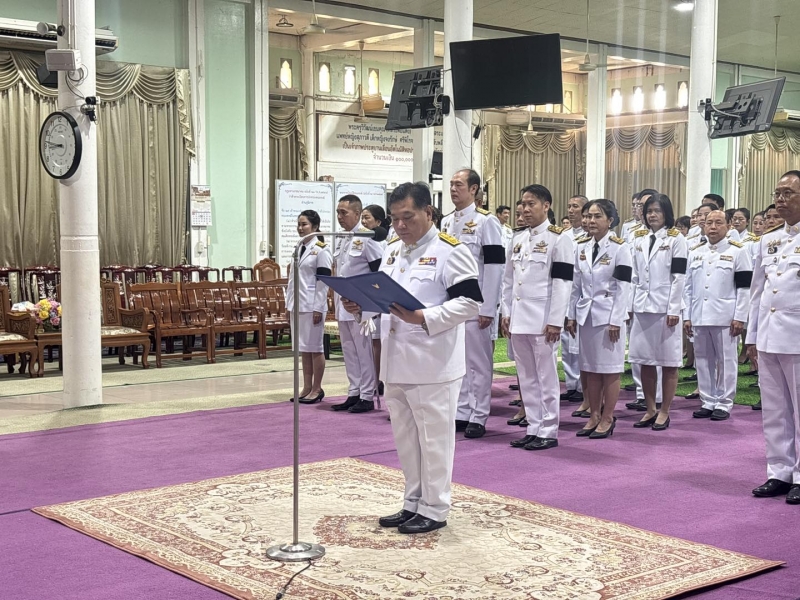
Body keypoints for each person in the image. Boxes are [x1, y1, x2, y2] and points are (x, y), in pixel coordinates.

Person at [344, 181, 482, 534]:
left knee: (434, 440)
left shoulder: (450, 250)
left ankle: (435, 507)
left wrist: (424, 317)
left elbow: (470, 303)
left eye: (408, 217)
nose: (401, 225)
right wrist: (361, 306)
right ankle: (413, 501)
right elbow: (385, 300)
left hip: (432, 363)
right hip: (396, 360)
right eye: (395, 219)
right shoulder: (392, 250)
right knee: (406, 439)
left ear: (428, 212)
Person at [501, 184, 574, 451]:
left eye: (531, 203)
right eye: (523, 203)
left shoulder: (559, 238)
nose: (525, 209)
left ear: (546, 205)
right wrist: (506, 312)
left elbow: (563, 283)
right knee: (526, 376)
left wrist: (556, 320)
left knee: (546, 376)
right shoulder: (518, 238)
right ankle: (533, 426)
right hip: (519, 318)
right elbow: (508, 281)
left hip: (543, 319)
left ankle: (549, 429)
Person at [747, 170, 800, 505]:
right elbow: (757, 292)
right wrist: (752, 336)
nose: (780, 199)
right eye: (777, 193)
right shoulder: (769, 239)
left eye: (788, 193)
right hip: (769, 335)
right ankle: (779, 471)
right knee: (775, 409)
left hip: (797, 336)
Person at [441, 169, 505, 439]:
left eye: (459, 184)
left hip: (475, 302)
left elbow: (495, 266)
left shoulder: (486, 221)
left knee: (478, 363)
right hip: (452, 304)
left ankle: (479, 414)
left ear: (474, 189)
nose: (453, 189)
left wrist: (488, 307)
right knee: (457, 361)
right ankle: (462, 410)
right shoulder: (446, 222)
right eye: (451, 185)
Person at [566, 199, 633, 438]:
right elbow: (575, 285)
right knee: (590, 369)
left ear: (610, 220)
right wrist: (571, 315)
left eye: (597, 216)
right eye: (588, 216)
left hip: (608, 316)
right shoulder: (581, 246)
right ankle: (594, 414)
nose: (590, 221)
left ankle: (608, 417)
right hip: (586, 314)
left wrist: (616, 319)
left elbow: (623, 287)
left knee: (609, 370)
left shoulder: (620, 248)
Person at [683, 210, 752, 421]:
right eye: (709, 223)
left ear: (728, 226)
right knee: (703, 360)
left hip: (725, 317)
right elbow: (687, 288)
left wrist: (740, 317)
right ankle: (707, 400)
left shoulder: (738, 251)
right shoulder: (695, 252)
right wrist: (687, 316)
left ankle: (724, 402)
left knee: (726, 361)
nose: (713, 227)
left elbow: (744, 288)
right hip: (699, 315)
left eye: (718, 223)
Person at [629, 193, 688, 430]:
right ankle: (650, 408)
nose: (652, 215)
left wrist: (674, 308)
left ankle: (665, 410)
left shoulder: (676, 239)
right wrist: (630, 305)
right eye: (649, 211)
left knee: (668, 362)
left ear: (666, 213)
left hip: (665, 309)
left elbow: (679, 276)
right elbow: (634, 276)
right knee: (645, 361)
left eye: (657, 211)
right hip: (642, 306)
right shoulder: (639, 238)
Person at [331, 195, 384, 413]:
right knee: (348, 350)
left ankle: (367, 395)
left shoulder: (367, 238)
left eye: (344, 212)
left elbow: (379, 272)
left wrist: (371, 304)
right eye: (338, 212)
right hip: (343, 303)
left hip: (360, 305)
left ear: (357, 213)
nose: (340, 216)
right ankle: (354, 391)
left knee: (364, 352)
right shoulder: (342, 238)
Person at [285, 210, 333, 404]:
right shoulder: (299, 248)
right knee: (303, 348)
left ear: (315, 226)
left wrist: (318, 307)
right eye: (298, 224)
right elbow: (292, 280)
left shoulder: (322, 249)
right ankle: (306, 387)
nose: (300, 228)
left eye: (304, 224)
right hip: (297, 304)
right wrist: (288, 304)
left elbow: (324, 281)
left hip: (312, 305)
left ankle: (317, 388)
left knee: (315, 347)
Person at [560, 194, 589, 403]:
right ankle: (571, 384)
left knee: (579, 342)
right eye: (569, 206)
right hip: (564, 291)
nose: (571, 210)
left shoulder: (590, 235)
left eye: (575, 206)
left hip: (582, 292)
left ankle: (582, 386)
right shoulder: (564, 235)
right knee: (566, 341)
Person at [361, 204, 391, 396]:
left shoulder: (378, 243)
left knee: (378, 341)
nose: (363, 222)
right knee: (372, 341)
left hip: (377, 297)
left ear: (378, 222)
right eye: (362, 218)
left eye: (367, 218)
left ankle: (379, 380)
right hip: (367, 297)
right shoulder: (362, 239)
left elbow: (377, 273)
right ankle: (374, 379)